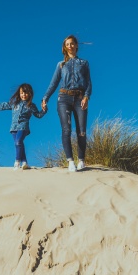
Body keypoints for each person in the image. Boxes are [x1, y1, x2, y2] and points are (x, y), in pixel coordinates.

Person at [42, 34, 92, 172]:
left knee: (81, 131)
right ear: (65, 47)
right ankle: (70, 161)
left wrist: (86, 97)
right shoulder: (61, 64)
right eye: (67, 44)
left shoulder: (84, 63)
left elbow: (88, 83)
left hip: (79, 98)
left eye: (72, 44)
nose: (70, 46)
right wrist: (45, 98)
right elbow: (53, 83)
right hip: (63, 98)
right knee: (66, 130)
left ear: (76, 46)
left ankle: (81, 160)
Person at [0, 83, 47, 170]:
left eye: (25, 93)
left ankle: (17, 162)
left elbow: (38, 115)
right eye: (21, 93)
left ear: (30, 94)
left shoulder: (32, 106)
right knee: (19, 144)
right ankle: (24, 162)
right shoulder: (14, 103)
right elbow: (2, 105)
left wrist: (44, 110)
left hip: (23, 127)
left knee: (18, 142)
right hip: (13, 127)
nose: (23, 95)